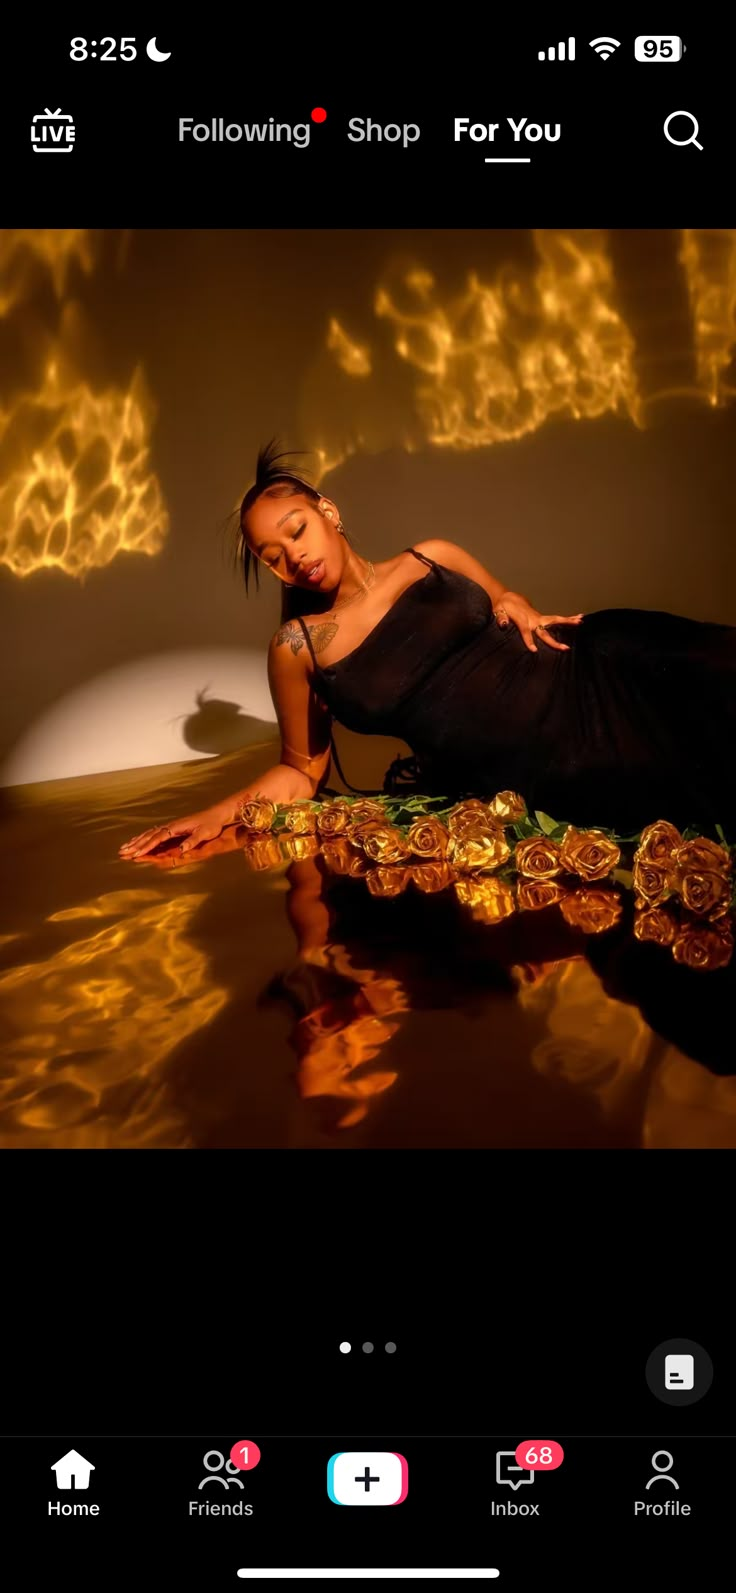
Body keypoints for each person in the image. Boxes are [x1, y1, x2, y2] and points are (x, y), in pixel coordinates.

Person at [120, 442, 736, 861]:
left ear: (327, 511)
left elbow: (507, 601)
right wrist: (215, 814)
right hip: (548, 768)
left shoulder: (430, 558)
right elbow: (300, 771)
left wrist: (517, 603)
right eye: (271, 556)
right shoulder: (298, 647)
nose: (293, 556)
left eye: (296, 530)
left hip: (599, 672)